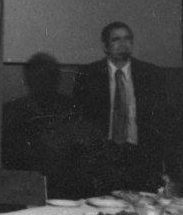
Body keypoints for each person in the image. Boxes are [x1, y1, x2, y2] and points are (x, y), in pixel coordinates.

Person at [72, 21, 172, 196]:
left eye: (127, 39)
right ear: (105, 46)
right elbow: (81, 121)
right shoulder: (88, 75)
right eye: (116, 39)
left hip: (141, 156)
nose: (123, 44)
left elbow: (162, 120)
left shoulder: (152, 74)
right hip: (103, 156)